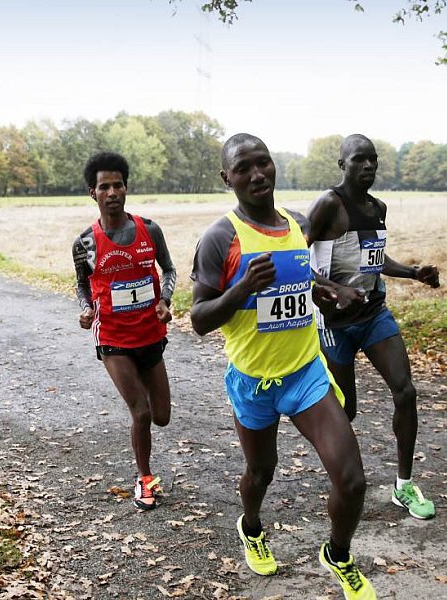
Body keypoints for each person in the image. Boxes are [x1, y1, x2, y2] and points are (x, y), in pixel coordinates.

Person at [191, 133, 376, 600]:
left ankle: (338, 553)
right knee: (261, 473)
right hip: (254, 382)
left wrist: (330, 290)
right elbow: (198, 320)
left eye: (264, 163)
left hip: (304, 373)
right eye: (243, 168)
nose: (257, 174)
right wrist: (241, 289)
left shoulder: (298, 223)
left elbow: (299, 278)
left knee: (352, 481)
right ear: (227, 178)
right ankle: (252, 527)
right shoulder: (220, 238)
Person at [307, 134, 440, 520]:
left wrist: (413, 273)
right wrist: (334, 290)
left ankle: (404, 486)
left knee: (405, 391)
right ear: (342, 164)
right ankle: (344, 481)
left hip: (373, 314)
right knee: (345, 410)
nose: (368, 166)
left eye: (373, 160)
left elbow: (374, 261)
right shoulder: (329, 204)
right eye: (358, 159)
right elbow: (295, 257)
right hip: (334, 322)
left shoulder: (378, 207)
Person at [72, 151, 176, 511]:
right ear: (93, 192)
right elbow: (81, 284)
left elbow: (169, 270)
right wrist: (86, 308)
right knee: (141, 413)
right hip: (113, 338)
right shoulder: (85, 243)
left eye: (118, 185)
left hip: (150, 333)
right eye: (104, 187)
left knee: (161, 416)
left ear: (126, 188)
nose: (112, 192)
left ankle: (141, 398)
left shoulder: (150, 229)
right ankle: (145, 479)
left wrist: (165, 300)